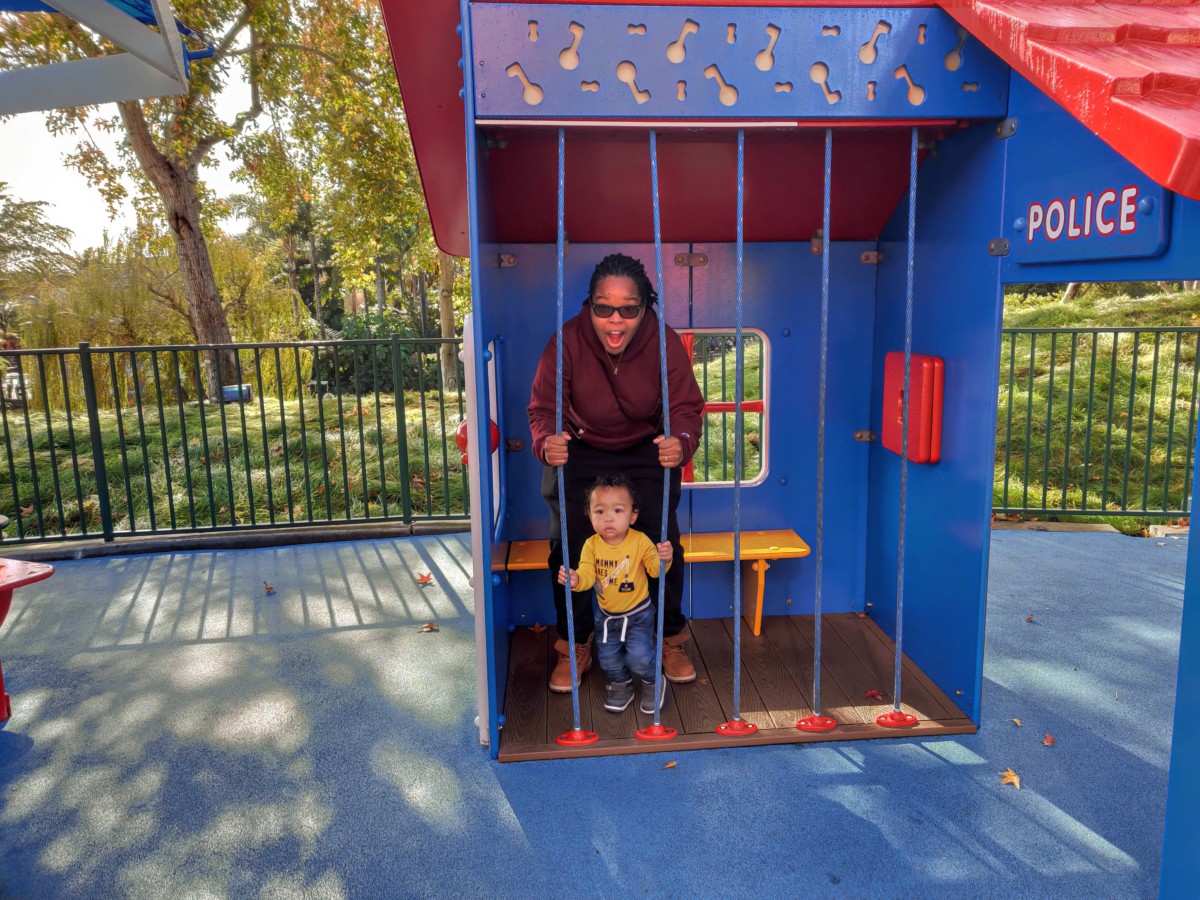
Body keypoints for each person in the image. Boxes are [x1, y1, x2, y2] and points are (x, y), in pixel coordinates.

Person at [528, 252, 705, 693]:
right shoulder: (566, 340)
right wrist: (546, 441)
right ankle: (575, 644)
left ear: (644, 309)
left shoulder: (662, 341)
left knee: (663, 545)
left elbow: (685, 405)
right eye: (603, 307)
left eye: (629, 308)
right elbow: (543, 407)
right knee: (568, 546)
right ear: (589, 305)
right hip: (580, 449)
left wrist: (680, 442)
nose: (615, 319)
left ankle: (668, 639)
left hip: (644, 450)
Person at [558, 475, 673, 713]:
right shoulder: (591, 545)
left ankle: (653, 681)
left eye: (618, 510)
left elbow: (654, 570)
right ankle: (621, 683)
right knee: (608, 658)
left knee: (639, 656)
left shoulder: (640, 541)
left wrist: (664, 558)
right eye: (599, 511)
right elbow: (588, 573)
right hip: (606, 616)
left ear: (633, 515)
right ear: (589, 515)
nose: (608, 517)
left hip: (638, 613)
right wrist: (576, 579)